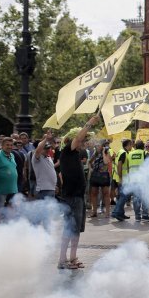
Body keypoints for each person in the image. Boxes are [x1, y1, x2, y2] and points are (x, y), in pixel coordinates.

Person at [57, 115, 99, 269]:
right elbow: (78, 137)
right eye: (82, 139)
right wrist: (90, 123)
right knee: (69, 229)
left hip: (78, 196)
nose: (84, 142)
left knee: (76, 230)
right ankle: (62, 260)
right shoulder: (68, 150)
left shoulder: (74, 154)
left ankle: (72, 257)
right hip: (72, 197)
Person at [0, 137, 18, 222]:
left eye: (11, 145)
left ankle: (7, 227)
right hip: (0, 188)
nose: (9, 147)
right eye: (7, 145)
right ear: (2, 146)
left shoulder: (12, 155)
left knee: (11, 208)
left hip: (12, 187)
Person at [128, 140, 149, 222]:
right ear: (143, 146)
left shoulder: (130, 154)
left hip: (133, 179)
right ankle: (145, 215)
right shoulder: (145, 153)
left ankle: (137, 216)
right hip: (143, 179)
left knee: (136, 198)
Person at [87, 139, 112, 218]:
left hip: (104, 175)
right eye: (96, 145)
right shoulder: (95, 153)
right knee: (93, 193)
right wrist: (91, 169)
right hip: (95, 175)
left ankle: (107, 212)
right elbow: (89, 162)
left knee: (106, 193)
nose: (97, 146)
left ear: (102, 146)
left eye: (98, 145)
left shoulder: (107, 152)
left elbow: (106, 162)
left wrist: (104, 152)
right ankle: (94, 212)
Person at [111, 139, 134, 221]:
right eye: (131, 145)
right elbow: (119, 166)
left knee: (121, 196)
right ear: (128, 145)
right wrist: (121, 178)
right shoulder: (123, 153)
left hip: (121, 178)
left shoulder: (122, 151)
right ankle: (115, 213)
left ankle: (121, 213)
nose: (132, 146)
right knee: (123, 197)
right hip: (122, 179)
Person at [32, 131, 58, 201]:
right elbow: (38, 151)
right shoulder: (37, 157)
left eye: (48, 148)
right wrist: (46, 139)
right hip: (43, 190)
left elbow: (50, 172)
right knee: (44, 211)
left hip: (51, 189)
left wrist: (54, 185)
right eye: (45, 148)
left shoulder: (49, 158)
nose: (47, 150)